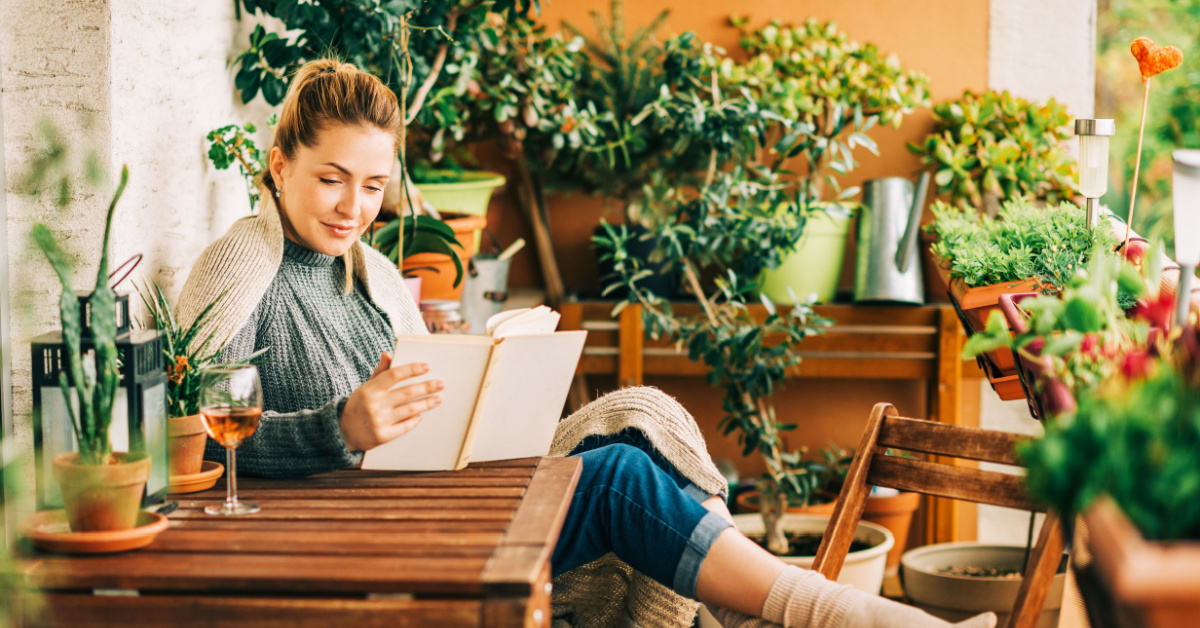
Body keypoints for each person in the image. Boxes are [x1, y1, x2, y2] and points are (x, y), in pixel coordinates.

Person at [176, 58, 995, 628]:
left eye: (374, 185)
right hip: (362, 539)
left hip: (431, 504)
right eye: (330, 178)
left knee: (636, 421)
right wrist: (339, 429)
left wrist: (473, 378)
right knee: (618, 476)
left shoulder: (374, 274)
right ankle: (833, 614)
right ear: (278, 165)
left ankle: (806, 613)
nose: (354, 205)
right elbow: (190, 442)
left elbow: (421, 412)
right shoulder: (245, 261)